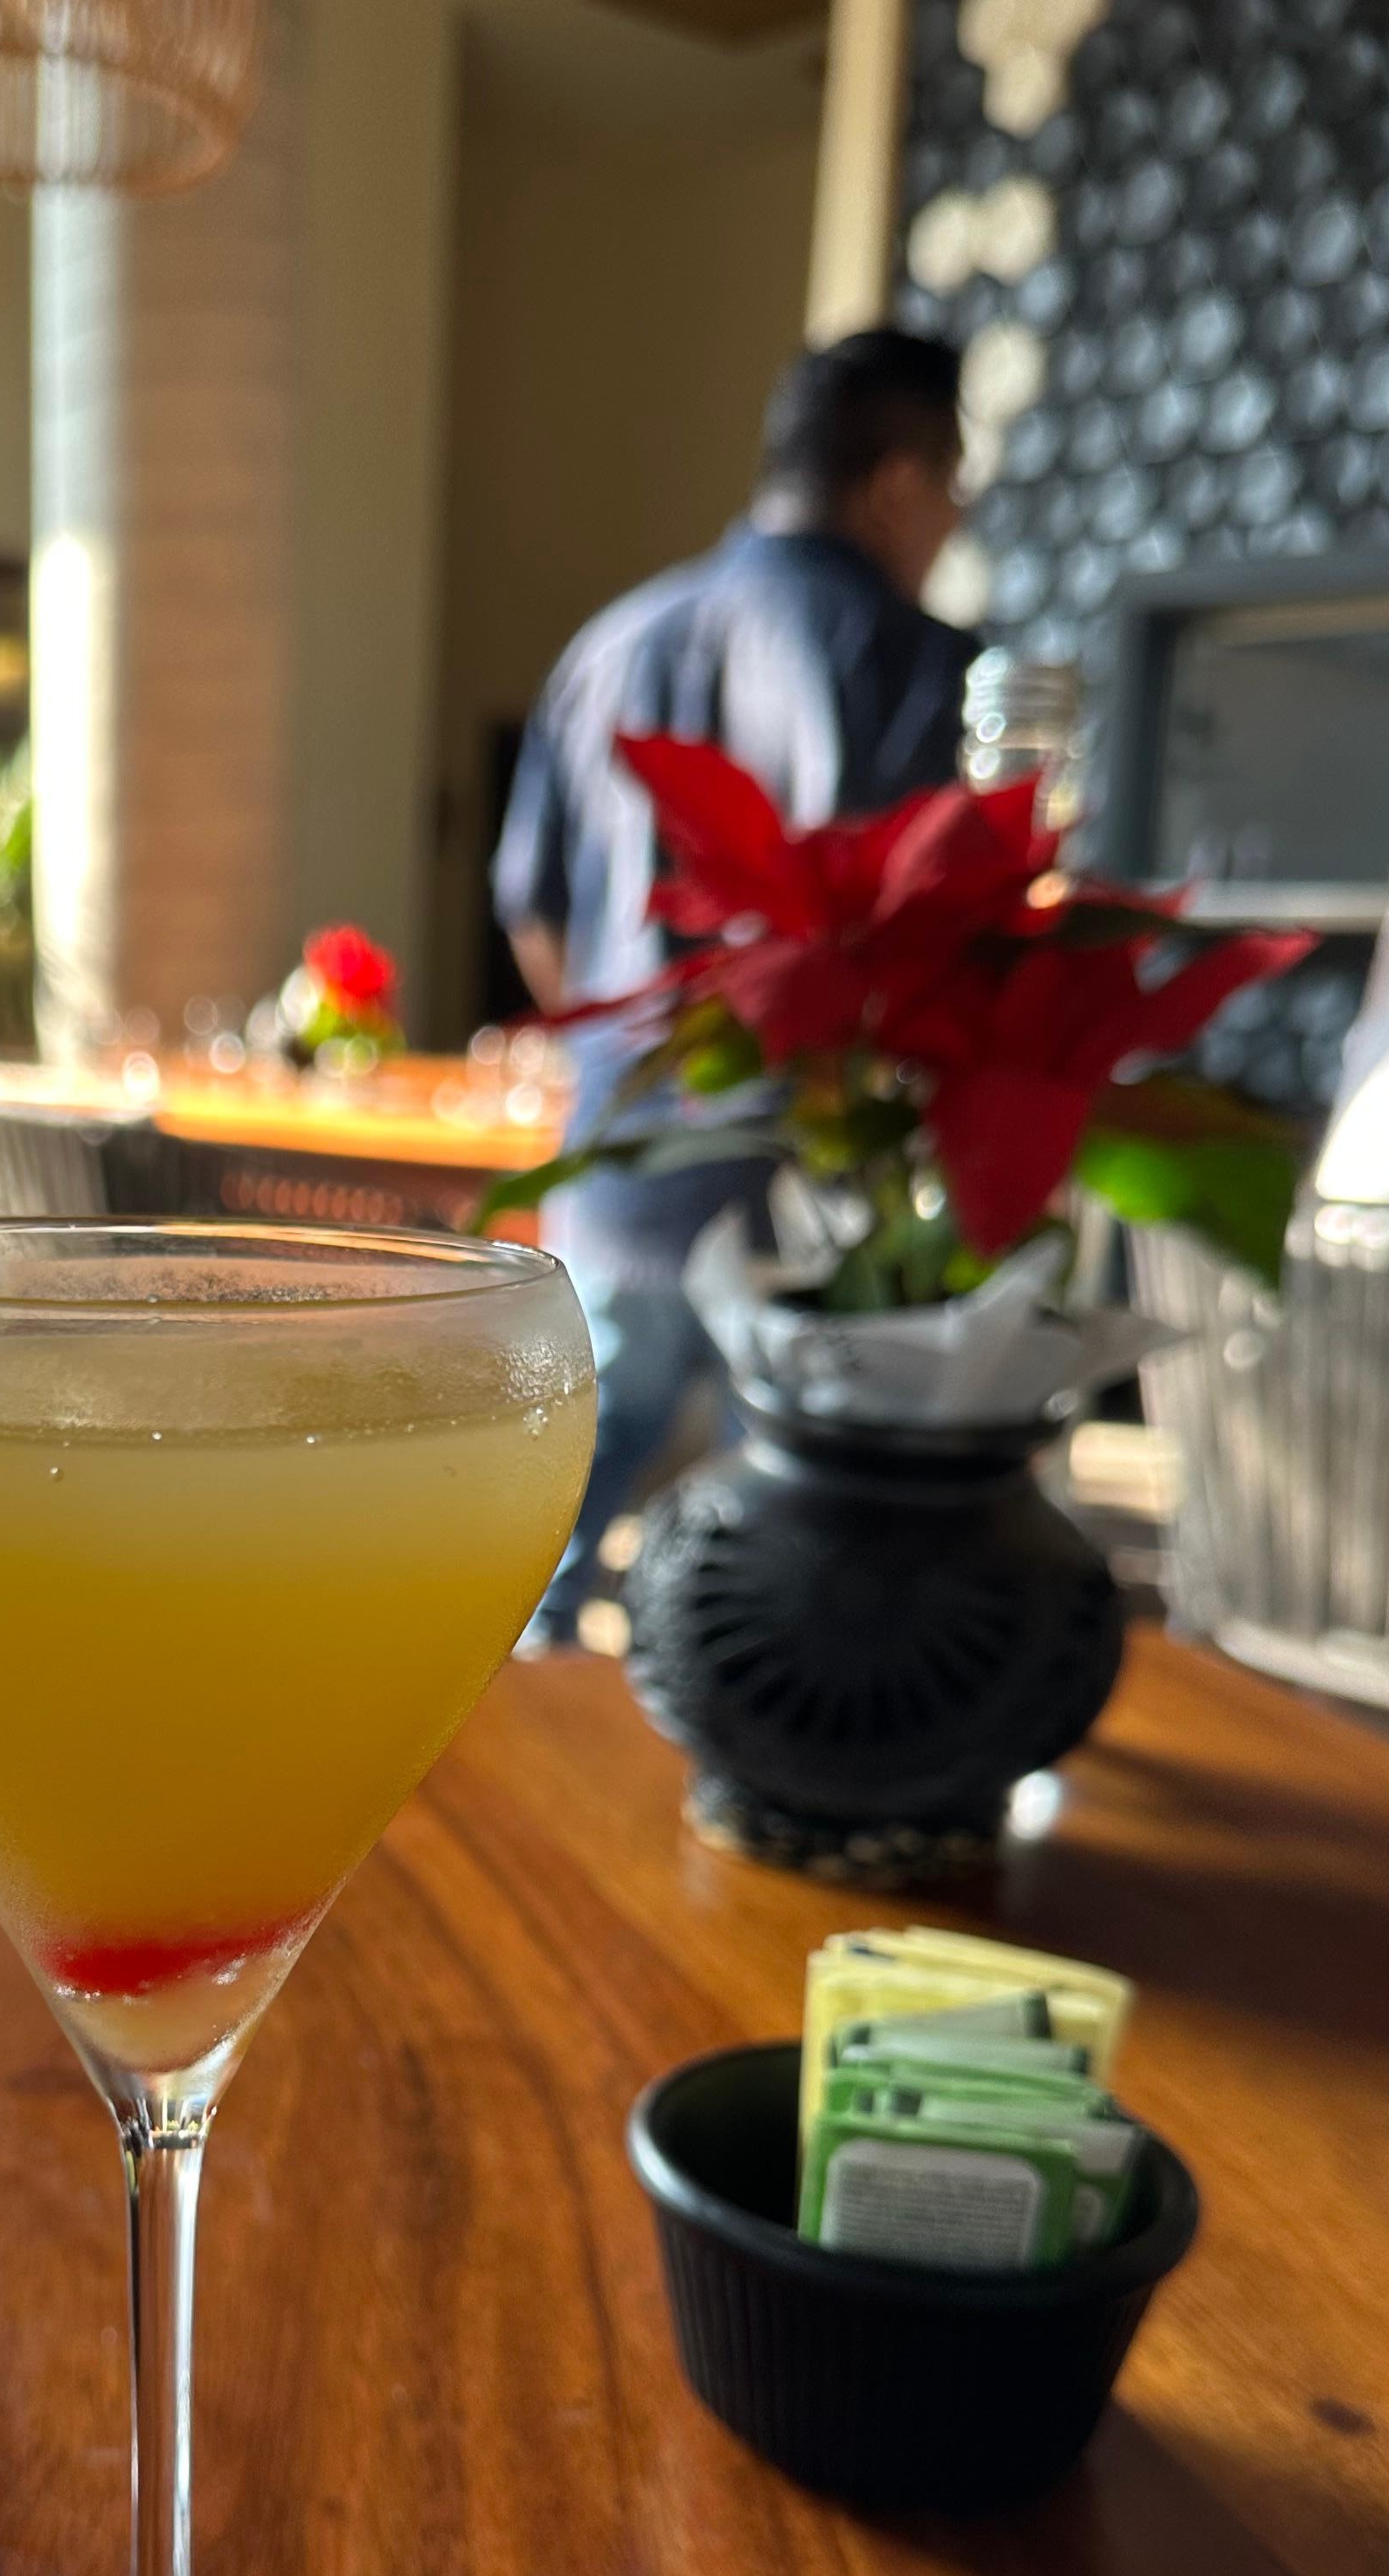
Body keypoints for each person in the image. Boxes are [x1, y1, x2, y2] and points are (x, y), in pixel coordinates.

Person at [494, 324, 979, 1643]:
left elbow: (534, 913)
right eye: (951, 487)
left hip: (620, 1164)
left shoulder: (611, 643)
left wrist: (632, 1059)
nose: (952, 520)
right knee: (787, 1591)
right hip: (810, 1201)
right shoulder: (914, 662)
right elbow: (924, 950)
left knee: (540, 1563)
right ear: (896, 483)